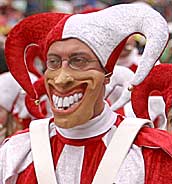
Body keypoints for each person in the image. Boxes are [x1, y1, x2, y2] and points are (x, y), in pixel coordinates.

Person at [0, 3, 172, 184]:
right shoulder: (16, 152)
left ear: (107, 75)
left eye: (79, 61)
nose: (61, 79)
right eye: (53, 62)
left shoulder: (152, 154)